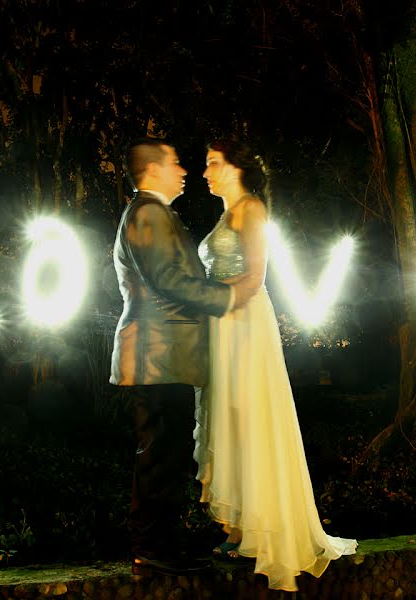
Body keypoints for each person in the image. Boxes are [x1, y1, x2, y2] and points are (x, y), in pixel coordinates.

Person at [193, 139, 358, 592]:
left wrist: (209, 302)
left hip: (243, 325)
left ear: (235, 167)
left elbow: (255, 277)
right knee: (229, 417)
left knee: (250, 415)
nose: (204, 171)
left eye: (212, 163)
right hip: (222, 325)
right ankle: (239, 526)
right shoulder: (226, 213)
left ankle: (262, 529)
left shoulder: (251, 210)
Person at [110, 138, 258, 577]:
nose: (184, 170)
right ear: (152, 169)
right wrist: (229, 295)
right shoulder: (149, 213)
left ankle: (160, 545)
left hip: (165, 357)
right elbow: (168, 280)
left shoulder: (151, 212)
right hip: (157, 355)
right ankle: (151, 549)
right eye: (175, 162)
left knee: (166, 454)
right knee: (159, 456)